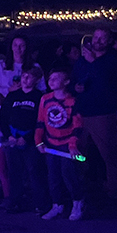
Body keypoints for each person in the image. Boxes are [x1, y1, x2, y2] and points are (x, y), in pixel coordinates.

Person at [73, 27, 117, 203]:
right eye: (96, 37)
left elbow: (110, 85)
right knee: (78, 151)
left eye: (102, 38)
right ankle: (80, 186)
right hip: (82, 112)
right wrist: (75, 87)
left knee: (108, 153)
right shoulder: (81, 62)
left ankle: (114, 190)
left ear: (109, 41)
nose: (98, 41)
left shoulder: (112, 61)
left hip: (103, 113)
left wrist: (94, 62)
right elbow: (74, 80)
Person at [35, 67, 85, 221]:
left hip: (67, 144)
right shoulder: (45, 99)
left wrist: (73, 145)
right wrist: (38, 141)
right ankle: (57, 204)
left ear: (66, 82)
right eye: (50, 78)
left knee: (69, 174)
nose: (52, 81)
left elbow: (77, 126)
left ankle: (77, 203)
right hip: (50, 144)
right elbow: (40, 121)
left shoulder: (73, 101)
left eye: (56, 78)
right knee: (53, 176)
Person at [1, 66, 47, 213]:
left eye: (29, 76)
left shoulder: (39, 97)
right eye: (23, 76)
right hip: (12, 138)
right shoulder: (12, 96)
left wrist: (27, 137)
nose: (25, 79)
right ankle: (15, 202)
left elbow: (41, 120)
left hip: (31, 140)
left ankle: (40, 204)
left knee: (34, 172)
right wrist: (8, 135)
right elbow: (3, 116)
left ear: (37, 80)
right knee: (14, 172)